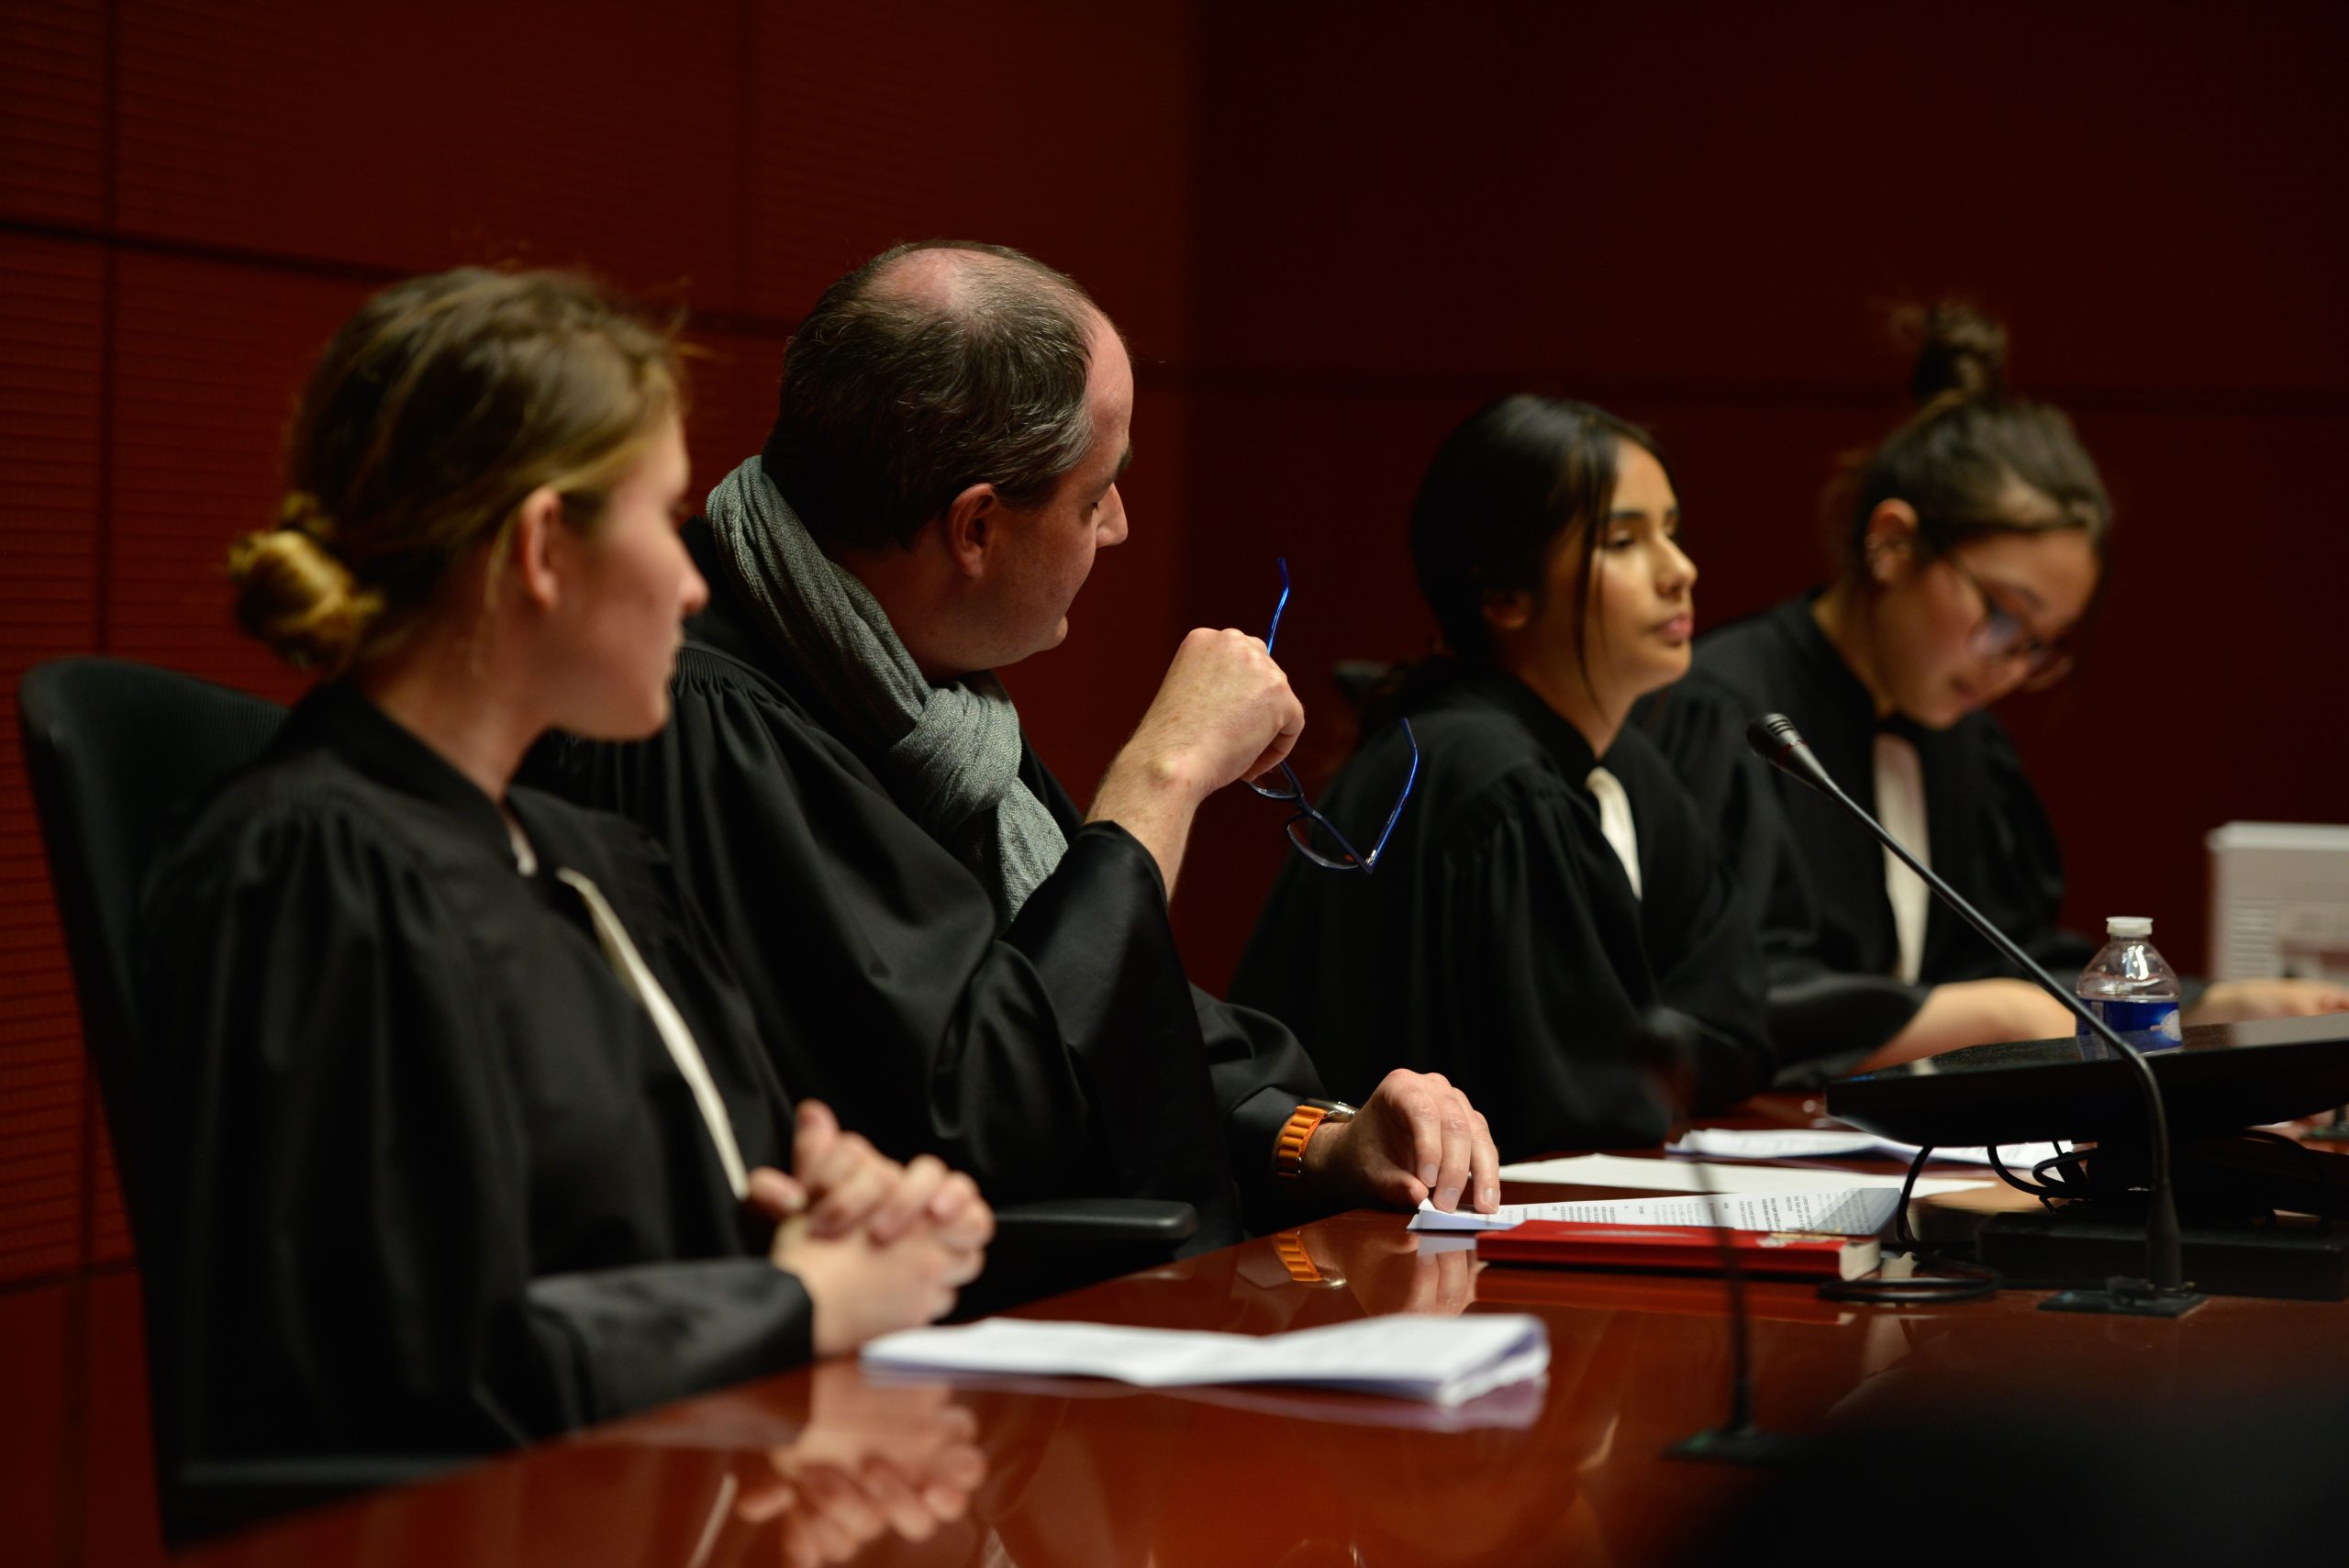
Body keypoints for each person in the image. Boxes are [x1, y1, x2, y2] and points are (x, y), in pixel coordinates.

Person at [138, 270, 991, 1482]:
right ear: (544, 546)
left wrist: (827, 1204)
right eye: (663, 515)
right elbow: (403, 1370)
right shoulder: (316, 870)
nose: (696, 583)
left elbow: (672, 1221)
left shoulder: (589, 854)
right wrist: (800, 1304)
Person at [530, 240, 1501, 1231]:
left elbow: (1101, 1010)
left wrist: (1315, 1140)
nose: (1118, 526)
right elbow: (983, 1104)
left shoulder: (918, 682)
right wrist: (1159, 778)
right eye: (1095, 493)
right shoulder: (696, 718)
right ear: (977, 528)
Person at [1639, 305, 2349, 1075]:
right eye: (2004, 616)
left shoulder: (1964, 740)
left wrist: (2209, 1003)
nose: (2010, 666)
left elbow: (2018, 954)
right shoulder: (1729, 711)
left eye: (2042, 645)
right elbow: (1721, 993)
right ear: (1892, 543)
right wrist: (1987, 1010)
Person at [1230, 396, 1774, 1160]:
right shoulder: (1497, 782)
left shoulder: (1609, 767)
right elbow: (1579, 1111)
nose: (1680, 571)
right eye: (1623, 540)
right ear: (1505, 597)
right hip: (1379, 1247)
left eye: (1672, 532)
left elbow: (1734, 1018)